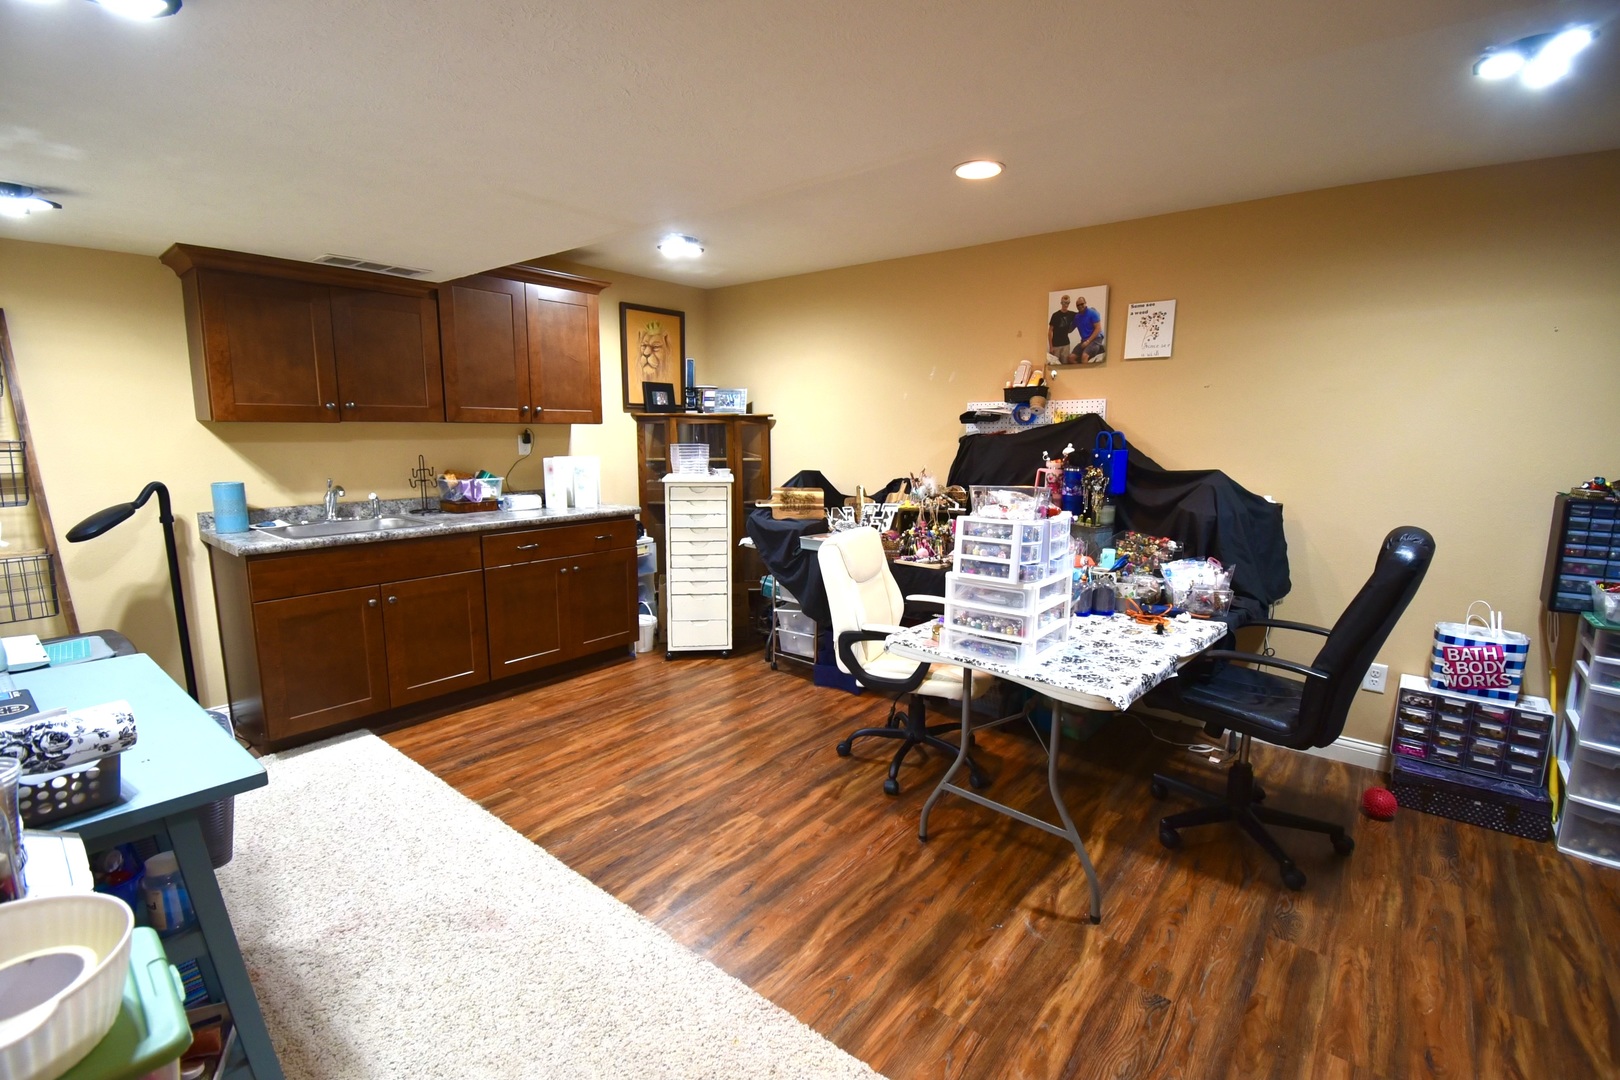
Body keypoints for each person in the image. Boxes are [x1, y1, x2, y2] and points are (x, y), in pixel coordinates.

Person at [1072, 296, 1105, 363]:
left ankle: (1085, 373)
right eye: (1078, 305)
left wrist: (1088, 341)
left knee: (1084, 356)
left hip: (1095, 339)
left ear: (1085, 303)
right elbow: (1069, 329)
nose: (1080, 306)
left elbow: (1098, 329)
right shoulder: (1077, 317)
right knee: (1070, 358)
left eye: (1082, 304)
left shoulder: (1092, 313)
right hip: (1084, 341)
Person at [1048, 295, 1077, 363]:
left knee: (1065, 364)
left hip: (1066, 344)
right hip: (1055, 345)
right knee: (1055, 364)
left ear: (1069, 303)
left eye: (1067, 303)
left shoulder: (1072, 314)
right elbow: (1050, 331)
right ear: (1061, 303)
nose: (1065, 305)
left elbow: (1081, 316)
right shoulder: (1055, 315)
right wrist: (1051, 346)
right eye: (1064, 302)